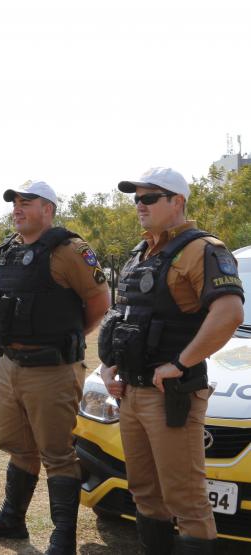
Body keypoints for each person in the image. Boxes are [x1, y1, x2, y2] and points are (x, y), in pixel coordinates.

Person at [98, 168, 244, 554]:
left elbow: (229, 313)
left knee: (187, 499)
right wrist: (109, 363)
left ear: (176, 202)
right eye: (136, 199)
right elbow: (124, 315)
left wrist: (181, 362)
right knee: (145, 492)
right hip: (132, 391)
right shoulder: (141, 251)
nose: (139, 206)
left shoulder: (203, 249)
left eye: (149, 198)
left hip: (171, 394)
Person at [0, 181, 110, 554]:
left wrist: (69, 335)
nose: (17, 208)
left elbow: (99, 301)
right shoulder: (11, 250)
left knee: (57, 452)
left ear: (47, 209)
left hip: (52, 369)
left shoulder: (69, 251)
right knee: (19, 446)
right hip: (11, 366)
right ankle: (12, 520)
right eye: (14, 202)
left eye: (26, 202)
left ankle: (63, 536)